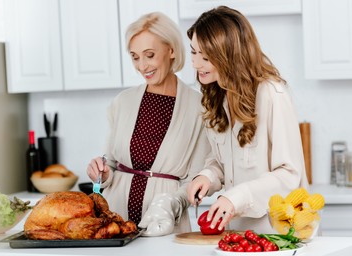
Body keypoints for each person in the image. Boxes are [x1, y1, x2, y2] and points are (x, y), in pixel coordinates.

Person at [185, 6, 308, 233]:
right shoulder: (216, 96)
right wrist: (207, 177)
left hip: (278, 233)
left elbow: (289, 174)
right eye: (193, 52)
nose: (195, 63)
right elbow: (221, 161)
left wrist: (237, 197)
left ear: (229, 54)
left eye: (205, 56)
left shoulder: (272, 93)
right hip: (238, 233)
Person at [86, 12, 210, 234]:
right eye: (135, 57)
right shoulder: (122, 102)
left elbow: (195, 179)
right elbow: (111, 163)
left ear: (171, 50)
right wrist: (102, 173)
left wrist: (168, 204)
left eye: (149, 55)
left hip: (166, 224)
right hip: (116, 220)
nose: (142, 66)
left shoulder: (199, 108)